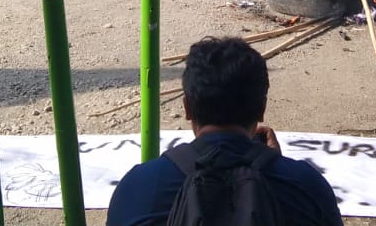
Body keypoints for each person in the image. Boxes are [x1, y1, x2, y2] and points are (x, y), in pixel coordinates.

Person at [106, 37, 343, 226]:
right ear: (262, 108)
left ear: (187, 107)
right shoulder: (306, 186)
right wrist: (277, 166)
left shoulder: (139, 187)